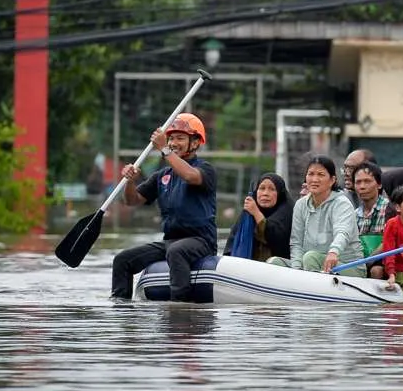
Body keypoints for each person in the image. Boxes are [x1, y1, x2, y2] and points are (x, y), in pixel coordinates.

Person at [111, 113, 217, 302]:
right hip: (171, 241)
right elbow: (132, 201)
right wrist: (129, 182)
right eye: (171, 138)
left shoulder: (205, 169)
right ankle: (121, 312)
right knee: (122, 260)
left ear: (195, 143)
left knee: (176, 251)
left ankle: (178, 306)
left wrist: (164, 149)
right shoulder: (162, 176)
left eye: (180, 138)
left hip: (201, 241)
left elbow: (190, 176)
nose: (174, 143)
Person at [286, 155, 366, 276]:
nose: (314, 179)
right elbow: (296, 242)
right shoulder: (300, 205)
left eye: (320, 175)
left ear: (332, 180)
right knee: (274, 262)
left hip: (347, 266)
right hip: (310, 263)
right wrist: (296, 270)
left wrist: (333, 252)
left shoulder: (342, 203)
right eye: (311, 174)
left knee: (310, 257)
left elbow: (342, 233)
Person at [222, 172, 293, 262]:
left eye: (272, 189)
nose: (265, 193)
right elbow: (232, 244)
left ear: (279, 194)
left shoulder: (286, 212)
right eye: (262, 188)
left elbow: (275, 238)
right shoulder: (248, 213)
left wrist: (256, 213)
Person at [351, 161, 390, 279]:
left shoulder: (389, 209)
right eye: (358, 182)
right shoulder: (354, 214)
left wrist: (367, 262)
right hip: (360, 264)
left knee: (376, 271)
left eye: (367, 181)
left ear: (379, 184)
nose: (362, 186)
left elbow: (390, 243)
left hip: (387, 264)